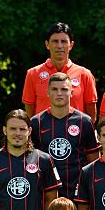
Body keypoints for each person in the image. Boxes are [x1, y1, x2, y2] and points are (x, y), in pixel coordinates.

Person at [30, 72, 98, 201]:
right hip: (46, 191)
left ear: (71, 93)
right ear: (48, 92)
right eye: (54, 89)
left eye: (64, 89)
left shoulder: (84, 121)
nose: (59, 93)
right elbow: (30, 160)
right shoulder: (36, 123)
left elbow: (94, 161)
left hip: (78, 191)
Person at [22, 22, 98, 120]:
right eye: (55, 41)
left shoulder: (84, 74)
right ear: (47, 44)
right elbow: (30, 115)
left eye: (63, 41)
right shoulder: (33, 74)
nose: (59, 46)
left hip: (75, 132)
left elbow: (91, 116)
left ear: (71, 45)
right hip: (43, 133)